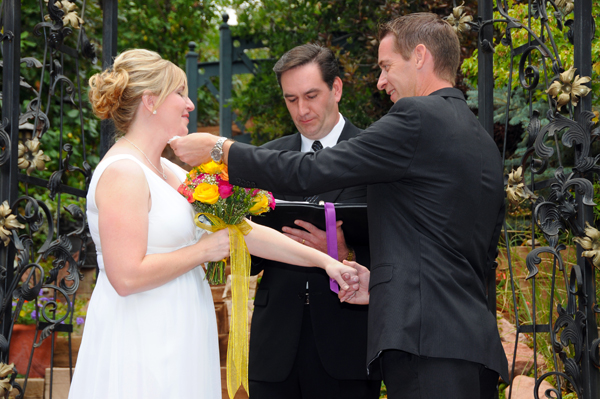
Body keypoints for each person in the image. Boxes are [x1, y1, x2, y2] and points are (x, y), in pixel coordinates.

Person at [170, 12, 509, 399]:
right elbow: (459, 255)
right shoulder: (478, 136)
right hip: (468, 344)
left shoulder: (417, 117)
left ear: (419, 56)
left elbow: (314, 171)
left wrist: (221, 148)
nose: (381, 81)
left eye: (386, 66)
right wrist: (378, 285)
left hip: (426, 347)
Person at [69, 49, 358, 399]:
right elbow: (126, 276)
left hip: (181, 328)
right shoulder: (123, 173)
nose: (190, 105)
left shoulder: (170, 171)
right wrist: (202, 250)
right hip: (144, 332)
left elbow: (243, 232)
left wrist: (325, 261)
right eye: (180, 93)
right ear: (151, 102)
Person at [248, 44, 381, 399]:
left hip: (347, 347)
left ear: (336, 89)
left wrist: (341, 250)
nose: (301, 110)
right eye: (291, 99)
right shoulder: (267, 158)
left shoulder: (377, 155)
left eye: (311, 95)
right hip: (274, 348)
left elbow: (397, 249)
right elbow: (248, 260)